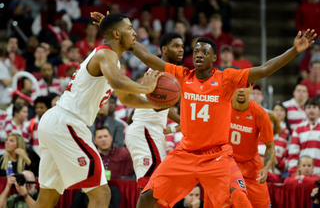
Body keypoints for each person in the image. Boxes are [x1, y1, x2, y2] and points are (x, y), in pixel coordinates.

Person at [91, 12, 316, 207]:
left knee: (240, 200)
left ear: (214, 58)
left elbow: (264, 69)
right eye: (196, 50)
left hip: (217, 156)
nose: (199, 54)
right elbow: (149, 58)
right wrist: (115, 33)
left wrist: (294, 51)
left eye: (204, 52)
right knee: (147, 197)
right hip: (185, 154)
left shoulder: (227, 78)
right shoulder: (182, 75)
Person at [34, 13, 162, 208]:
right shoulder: (105, 53)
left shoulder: (112, 60)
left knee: (46, 199)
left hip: (56, 123)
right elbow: (118, 81)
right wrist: (147, 88)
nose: (134, 32)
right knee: (101, 194)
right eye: (129, 28)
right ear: (117, 34)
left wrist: (155, 104)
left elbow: (126, 97)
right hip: (67, 124)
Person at [125, 32, 182, 190]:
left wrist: (178, 124)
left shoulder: (173, 73)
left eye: (182, 46)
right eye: (175, 46)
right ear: (164, 49)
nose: (181, 50)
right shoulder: (159, 69)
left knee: (156, 187)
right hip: (144, 129)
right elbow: (158, 106)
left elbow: (163, 107)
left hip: (153, 130)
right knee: (150, 186)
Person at [225, 87, 275, 207]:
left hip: (251, 166)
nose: (241, 90)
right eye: (238, 86)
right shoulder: (223, 106)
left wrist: (266, 168)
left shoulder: (259, 113)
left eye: (246, 86)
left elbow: (270, 147)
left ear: (251, 88)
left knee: (262, 204)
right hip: (227, 164)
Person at [288, 98, 320, 176]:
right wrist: (294, 172)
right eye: (309, 107)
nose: (311, 110)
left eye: (314, 107)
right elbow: (293, 152)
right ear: (304, 110)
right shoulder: (298, 128)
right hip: (302, 175)